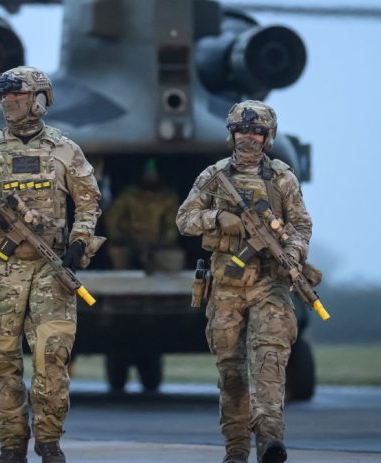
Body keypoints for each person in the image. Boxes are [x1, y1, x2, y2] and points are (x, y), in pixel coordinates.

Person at [0, 66, 101, 463]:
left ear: (40, 100)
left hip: (52, 267)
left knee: (52, 358)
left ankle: (49, 442)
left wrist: (79, 243)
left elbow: (88, 203)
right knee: (4, 361)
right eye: (6, 96)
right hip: (2, 268)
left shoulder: (65, 149)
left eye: (18, 95)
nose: (9, 102)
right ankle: (11, 446)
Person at [176, 100, 312, 463]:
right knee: (232, 372)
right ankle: (235, 449)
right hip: (226, 287)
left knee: (269, 364)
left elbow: (301, 225)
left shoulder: (282, 178)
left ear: (269, 137)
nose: (248, 137)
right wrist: (218, 218)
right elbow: (184, 219)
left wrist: (293, 253)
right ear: (230, 134)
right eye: (241, 130)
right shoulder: (213, 176)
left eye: (256, 132)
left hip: (270, 284)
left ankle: (270, 440)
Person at [105, 158, 182, 272]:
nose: (150, 178)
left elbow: (173, 225)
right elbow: (113, 219)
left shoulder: (169, 198)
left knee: (174, 256)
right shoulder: (128, 195)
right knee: (117, 251)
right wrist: (119, 237)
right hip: (129, 241)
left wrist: (164, 242)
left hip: (158, 244)